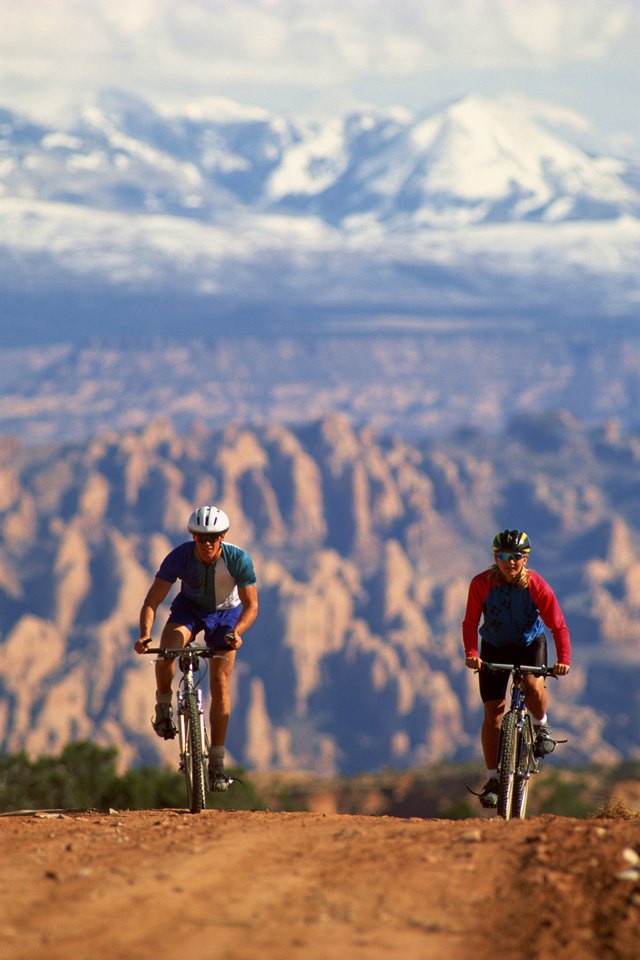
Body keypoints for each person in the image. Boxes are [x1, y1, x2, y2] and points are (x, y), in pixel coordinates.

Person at [134, 505, 258, 791]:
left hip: (226, 615)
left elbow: (251, 605)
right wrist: (144, 635)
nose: (207, 542)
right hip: (188, 610)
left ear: (223, 536)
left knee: (220, 681)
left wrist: (237, 632)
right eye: (200, 536)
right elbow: (151, 600)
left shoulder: (238, 559)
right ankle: (163, 706)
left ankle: (216, 764)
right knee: (167, 652)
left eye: (213, 536)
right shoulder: (179, 557)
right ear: (193, 537)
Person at [462, 528, 570, 809]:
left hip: (529, 643)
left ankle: (541, 727)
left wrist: (564, 660)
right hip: (495, 646)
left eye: (517, 556)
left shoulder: (537, 585)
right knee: (494, 712)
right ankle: (494, 779)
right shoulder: (481, 584)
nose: (511, 562)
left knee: (534, 686)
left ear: (526, 559)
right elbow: (470, 622)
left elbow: (558, 625)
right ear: (495, 557)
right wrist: (472, 653)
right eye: (505, 556)